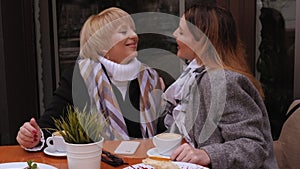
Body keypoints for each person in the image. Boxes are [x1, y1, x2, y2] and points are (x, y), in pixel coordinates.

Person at [16, 7, 171, 150]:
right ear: (103, 46)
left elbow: (165, 131)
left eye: (133, 30)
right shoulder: (80, 78)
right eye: (123, 31)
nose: (134, 35)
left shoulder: (151, 78)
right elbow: (48, 127)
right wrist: (33, 136)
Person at [162, 4, 278, 168]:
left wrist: (207, 154)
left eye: (181, 32)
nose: (174, 34)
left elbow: (253, 146)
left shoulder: (223, 82)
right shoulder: (193, 77)